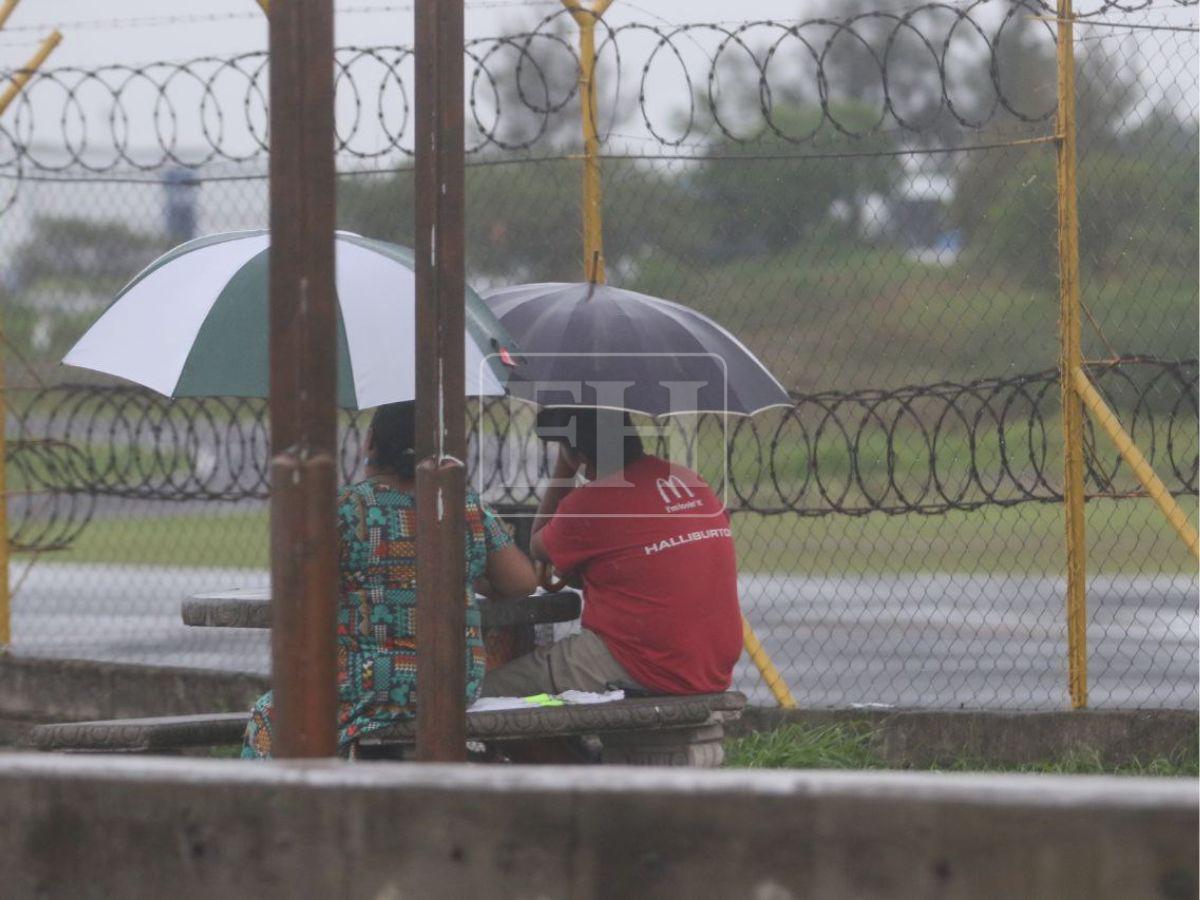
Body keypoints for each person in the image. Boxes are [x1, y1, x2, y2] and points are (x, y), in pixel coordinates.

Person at [242, 401, 537, 758]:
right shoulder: (460, 504)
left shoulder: (343, 507)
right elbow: (521, 582)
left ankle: (285, 809)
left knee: (270, 715)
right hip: (455, 680)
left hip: (368, 681)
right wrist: (465, 572)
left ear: (369, 443)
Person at [479, 408, 742, 698]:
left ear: (578, 454)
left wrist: (564, 471)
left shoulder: (592, 503)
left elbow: (538, 548)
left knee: (485, 694)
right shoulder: (688, 480)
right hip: (710, 666)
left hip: (645, 665)